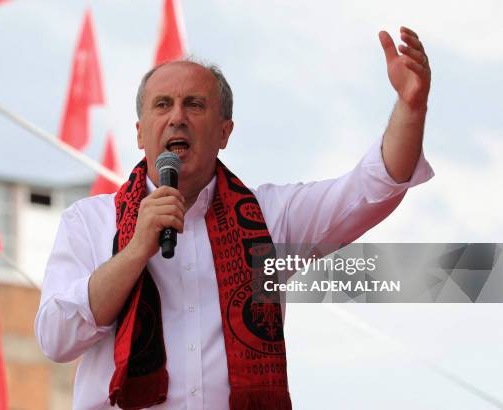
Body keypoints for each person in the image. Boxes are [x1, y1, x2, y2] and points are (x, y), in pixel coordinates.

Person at [35, 26, 434, 409]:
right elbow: (56, 339)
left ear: (225, 132)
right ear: (140, 133)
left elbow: (371, 187)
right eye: (162, 104)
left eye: (194, 104)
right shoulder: (89, 222)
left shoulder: (271, 219)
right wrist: (136, 250)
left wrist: (411, 107)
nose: (177, 117)